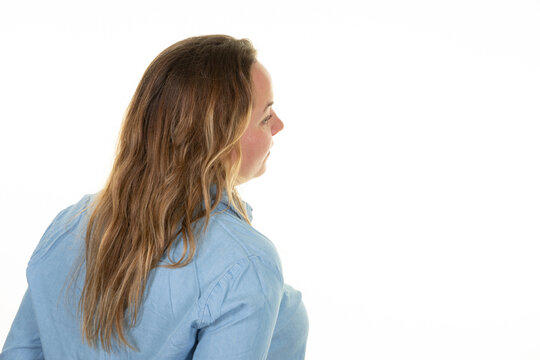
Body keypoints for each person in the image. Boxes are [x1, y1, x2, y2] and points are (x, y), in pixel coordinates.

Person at [1, 35, 308, 359]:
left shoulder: (70, 225)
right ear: (218, 138)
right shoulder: (246, 262)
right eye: (265, 116)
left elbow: (19, 353)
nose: (278, 125)